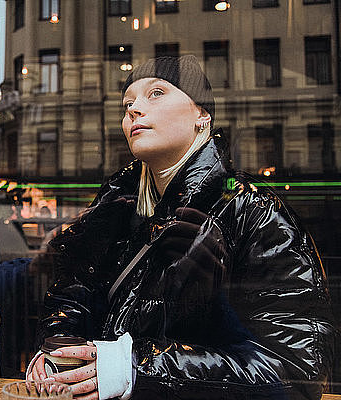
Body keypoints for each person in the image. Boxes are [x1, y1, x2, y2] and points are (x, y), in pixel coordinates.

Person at [27, 55, 335, 400]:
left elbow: (295, 370)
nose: (134, 110)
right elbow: (73, 293)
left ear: (201, 115)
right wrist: (57, 350)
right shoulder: (115, 207)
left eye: (156, 93)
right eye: (128, 103)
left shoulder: (251, 209)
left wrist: (134, 369)